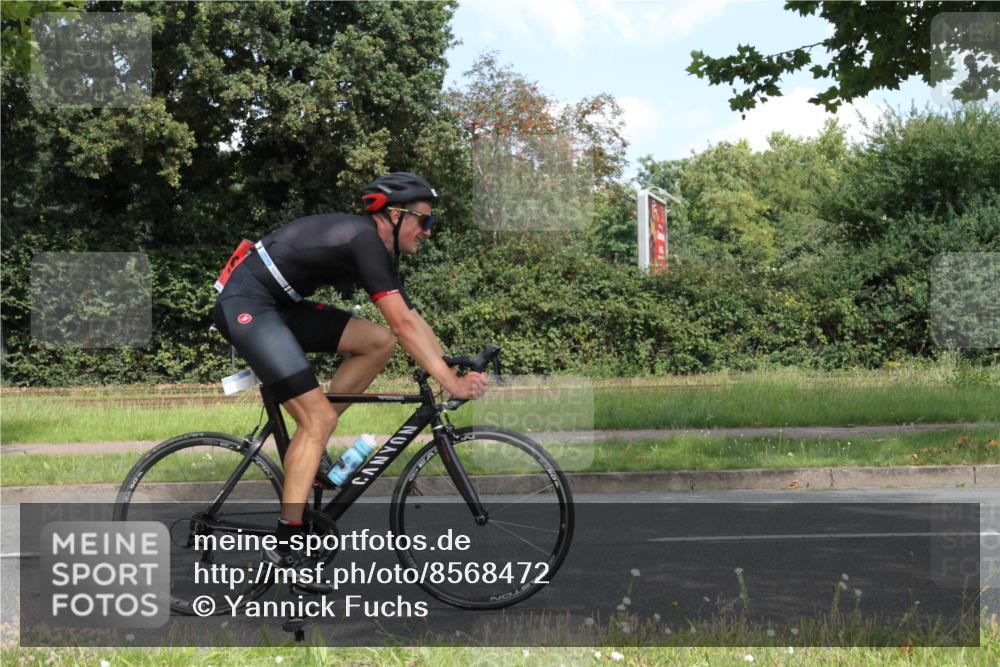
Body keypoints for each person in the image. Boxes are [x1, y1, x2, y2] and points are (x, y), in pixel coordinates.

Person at [211, 172, 489, 566]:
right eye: (424, 220)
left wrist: (446, 367)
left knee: (376, 343)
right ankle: (289, 547)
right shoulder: (365, 240)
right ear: (394, 216)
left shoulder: (374, 246)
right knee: (318, 419)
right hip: (248, 306)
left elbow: (409, 317)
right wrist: (452, 384)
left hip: (277, 306)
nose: (428, 231)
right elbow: (404, 324)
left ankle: (313, 443)